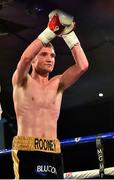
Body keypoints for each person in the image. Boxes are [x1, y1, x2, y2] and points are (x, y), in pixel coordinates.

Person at [11, 9, 89, 179]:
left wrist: (68, 35)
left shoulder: (58, 84)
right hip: (27, 149)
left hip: (53, 150)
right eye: (44, 54)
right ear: (34, 59)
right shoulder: (22, 81)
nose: (50, 58)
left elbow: (82, 66)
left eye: (52, 55)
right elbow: (24, 59)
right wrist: (50, 31)